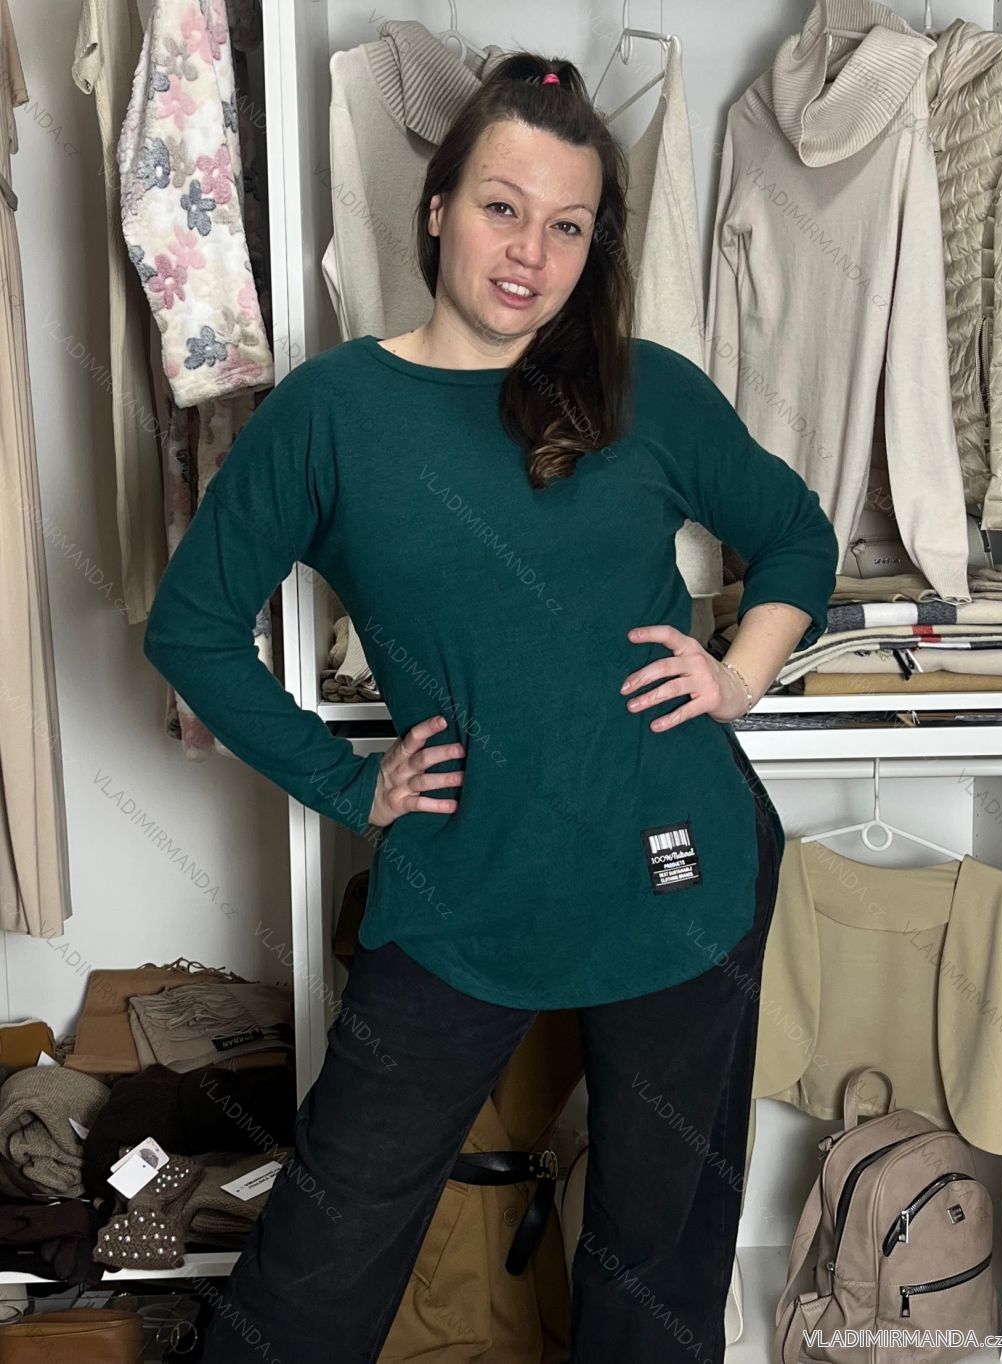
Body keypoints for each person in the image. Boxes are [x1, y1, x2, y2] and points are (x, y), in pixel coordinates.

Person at [144, 50, 838, 1364]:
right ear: (437, 208)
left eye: (568, 225)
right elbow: (189, 628)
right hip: (465, 883)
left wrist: (738, 673)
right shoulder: (332, 415)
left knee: (655, 1261)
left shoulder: (645, 390)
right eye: (503, 208)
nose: (531, 252)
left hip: (677, 866)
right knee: (327, 1246)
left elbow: (798, 536)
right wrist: (348, 782)